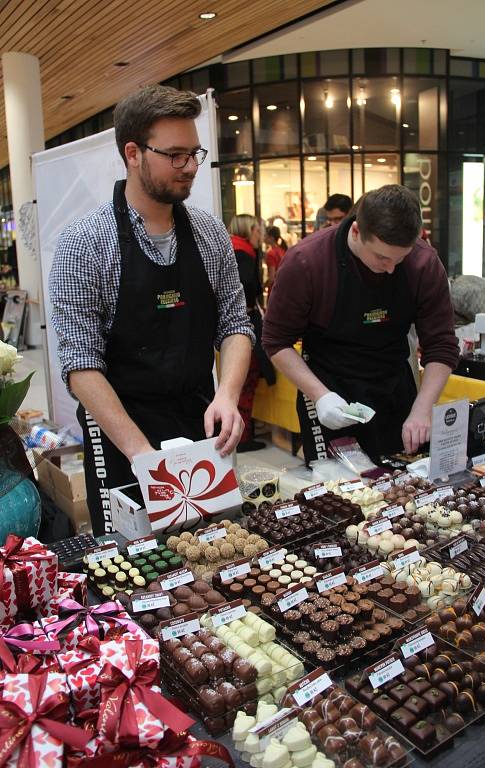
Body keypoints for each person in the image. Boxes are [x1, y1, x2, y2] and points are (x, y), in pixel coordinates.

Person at [50, 85, 254, 535]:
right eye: (175, 155)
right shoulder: (84, 243)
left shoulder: (209, 233)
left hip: (199, 421)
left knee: (212, 552)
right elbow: (81, 364)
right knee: (135, 566)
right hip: (122, 434)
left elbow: (236, 324)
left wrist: (228, 395)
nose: (191, 167)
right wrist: (143, 455)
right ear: (133, 153)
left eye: (194, 153)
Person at [262, 184, 460, 464]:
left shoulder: (423, 264)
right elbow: (275, 341)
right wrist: (319, 396)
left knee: (403, 487)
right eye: (381, 257)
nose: (391, 268)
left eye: (399, 259)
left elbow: (441, 345)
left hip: (394, 386)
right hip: (328, 387)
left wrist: (423, 408)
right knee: (338, 494)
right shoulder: (307, 262)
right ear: (356, 231)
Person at [229, 214, 275, 452]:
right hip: (245, 328)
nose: (261, 235)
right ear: (250, 229)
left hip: (232, 330)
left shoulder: (231, 248)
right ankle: (243, 436)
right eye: (259, 230)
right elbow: (248, 289)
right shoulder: (244, 254)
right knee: (246, 384)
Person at [264, 225, 287, 299]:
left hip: (274, 292)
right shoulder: (282, 250)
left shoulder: (271, 253)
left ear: (271, 238)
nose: (263, 237)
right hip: (283, 289)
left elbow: (271, 278)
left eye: (265, 235)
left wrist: (263, 287)